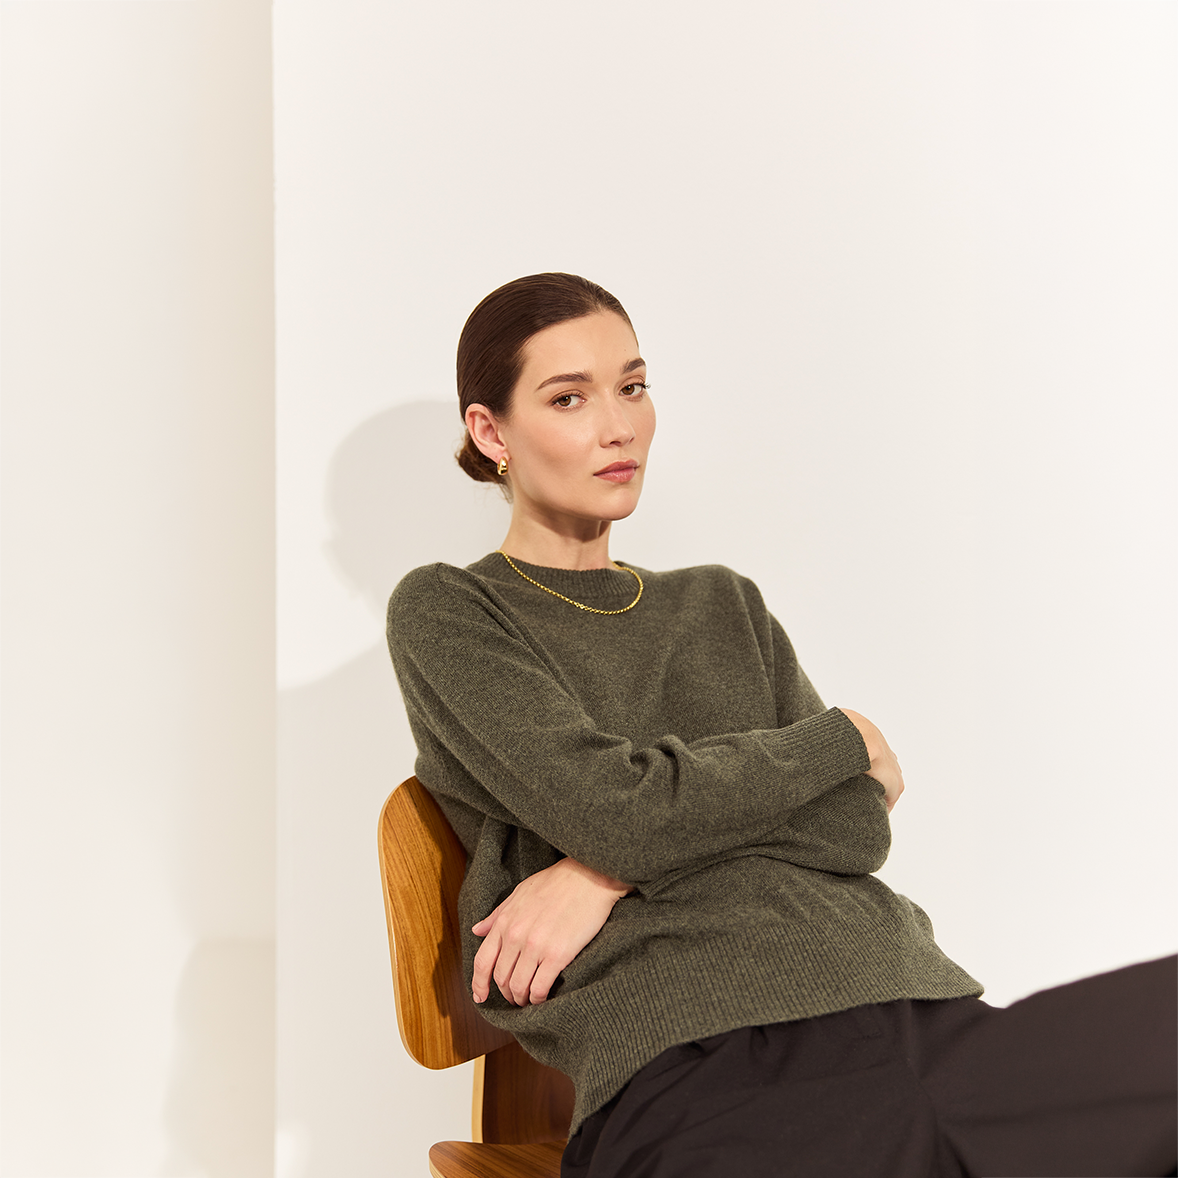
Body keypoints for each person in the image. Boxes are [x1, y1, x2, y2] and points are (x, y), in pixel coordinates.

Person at [386, 272, 1176, 1178]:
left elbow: (856, 826)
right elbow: (623, 812)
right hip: (705, 1070)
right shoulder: (452, 611)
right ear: (492, 433)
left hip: (919, 1016)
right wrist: (841, 739)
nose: (619, 426)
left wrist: (597, 874)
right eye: (570, 398)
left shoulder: (723, 604)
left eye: (633, 387)